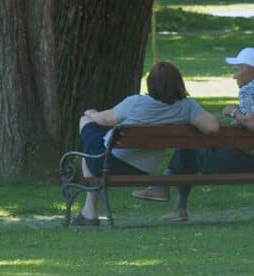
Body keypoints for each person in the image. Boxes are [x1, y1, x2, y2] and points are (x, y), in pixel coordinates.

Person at [150, 47, 254, 223]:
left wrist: (233, 111)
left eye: (238, 70)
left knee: (188, 148)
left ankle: (169, 196)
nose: (234, 75)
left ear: (251, 70)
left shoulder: (248, 91)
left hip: (234, 161)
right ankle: (165, 191)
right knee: (191, 150)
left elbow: (252, 123)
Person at [72, 61, 219, 226]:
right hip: (142, 170)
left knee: (85, 123)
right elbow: (212, 126)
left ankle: (90, 211)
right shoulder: (187, 107)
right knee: (88, 153)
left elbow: (105, 119)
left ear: (150, 83)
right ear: (179, 83)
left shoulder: (135, 102)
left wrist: (91, 113)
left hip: (106, 163)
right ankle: (88, 211)